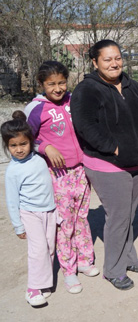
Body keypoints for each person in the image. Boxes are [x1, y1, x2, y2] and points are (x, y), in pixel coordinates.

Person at [71, 39, 138, 291]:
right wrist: (113, 147)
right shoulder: (87, 89)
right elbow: (85, 125)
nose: (114, 63)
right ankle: (113, 270)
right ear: (95, 62)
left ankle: (128, 258)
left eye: (117, 57)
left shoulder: (129, 84)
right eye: (107, 59)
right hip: (106, 163)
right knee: (118, 217)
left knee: (129, 214)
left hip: (135, 161)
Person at [24, 61, 98, 295]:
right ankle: (68, 270)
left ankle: (85, 260)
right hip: (58, 175)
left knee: (82, 218)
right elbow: (25, 140)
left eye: (61, 82)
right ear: (41, 84)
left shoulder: (73, 100)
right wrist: (45, 147)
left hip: (81, 170)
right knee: (64, 224)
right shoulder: (35, 109)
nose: (57, 88)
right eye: (51, 84)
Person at [2, 111, 56, 307]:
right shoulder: (13, 171)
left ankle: (44, 282)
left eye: (23, 144)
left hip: (50, 211)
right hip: (29, 214)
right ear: (7, 147)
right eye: (13, 146)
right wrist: (18, 226)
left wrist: (56, 211)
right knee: (38, 250)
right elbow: (12, 201)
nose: (19, 149)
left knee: (50, 248)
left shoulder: (40, 160)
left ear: (30, 142)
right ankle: (33, 289)